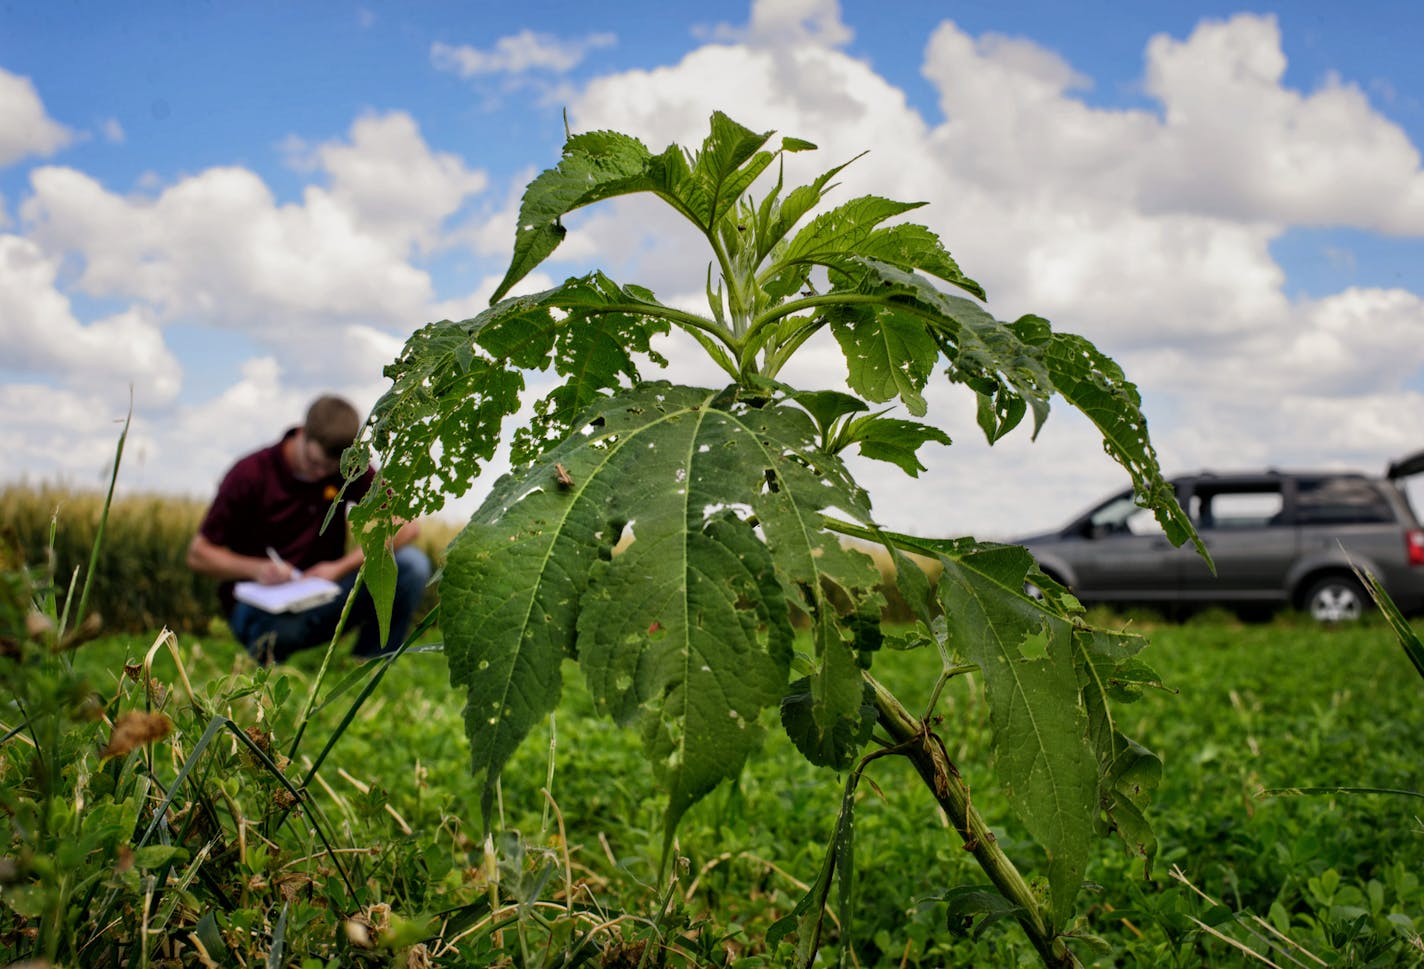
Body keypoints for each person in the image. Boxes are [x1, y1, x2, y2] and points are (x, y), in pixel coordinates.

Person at [187, 394, 432, 663]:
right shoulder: (250, 474)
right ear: (302, 433)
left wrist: (338, 569)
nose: (319, 474)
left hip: (323, 592)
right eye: (313, 463)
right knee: (275, 633)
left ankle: (370, 661)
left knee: (411, 564)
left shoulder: (347, 468)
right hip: (262, 604)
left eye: (329, 469)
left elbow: (406, 525)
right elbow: (199, 554)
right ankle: (269, 656)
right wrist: (257, 570)